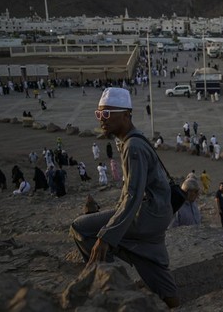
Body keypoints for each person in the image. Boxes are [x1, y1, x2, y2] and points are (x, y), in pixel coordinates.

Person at [69, 87, 179, 308]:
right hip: (158, 213)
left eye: (108, 114)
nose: (102, 120)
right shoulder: (132, 140)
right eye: (99, 114)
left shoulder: (133, 146)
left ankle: (114, 289)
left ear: (126, 115)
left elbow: (133, 196)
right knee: (151, 265)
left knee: (81, 228)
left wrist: (106, 237)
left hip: (146, 215)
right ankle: (176, 304)